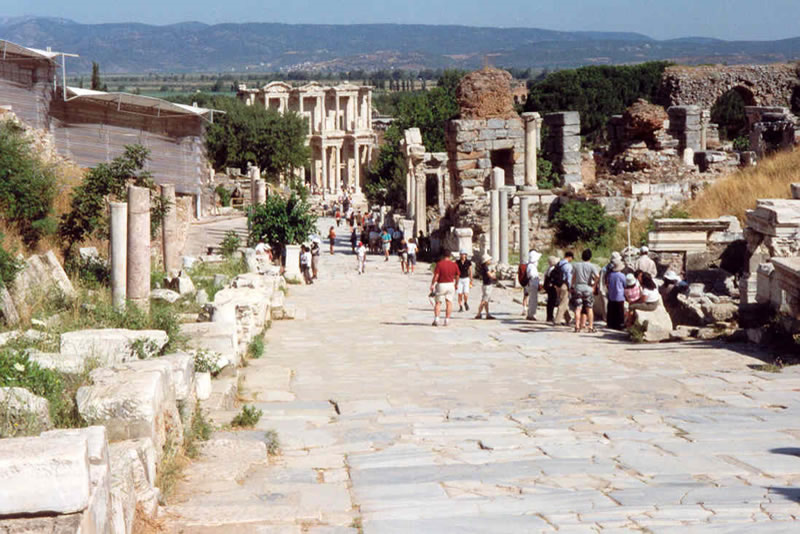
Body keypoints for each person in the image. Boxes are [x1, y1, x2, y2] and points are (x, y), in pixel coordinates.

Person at [570, 249, 600, 333]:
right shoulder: (592, 266)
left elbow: (573, 277)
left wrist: (571, 286)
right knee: (589, 308)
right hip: (588, 288)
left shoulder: (576, 265)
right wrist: (594, 286)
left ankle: (577, 326)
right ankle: (590, 326)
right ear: (590, 257)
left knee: (578, 308)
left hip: (578, 288)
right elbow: (597, 276)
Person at [430, 249, 459, 327]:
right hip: (450, 284)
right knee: (449, 302)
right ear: (450, 256)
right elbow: (457, 275)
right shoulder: (454, 264)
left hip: (441, 284)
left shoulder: (439, 264)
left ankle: (436, 319)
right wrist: (456, 284)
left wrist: (432, 284)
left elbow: (436, 276)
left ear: (442, 256)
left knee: (438, 302)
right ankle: (447, 320)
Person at [553, 252, 574, 326]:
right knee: (563, 303)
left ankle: (568, 319)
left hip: (558, 285)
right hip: (564, 285)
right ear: (569, 257)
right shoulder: (568, 266)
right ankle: (557, 321)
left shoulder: (559, 263)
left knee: (564, 302)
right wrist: (570, 287)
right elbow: (569, 277)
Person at [475, 253, 497, 320]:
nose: (490, 260)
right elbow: (490, 275)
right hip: (487, 285)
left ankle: (487, 314)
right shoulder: (485, 267)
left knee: (486, 301)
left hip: (486, 284)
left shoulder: (485, 267)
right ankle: (478, 314)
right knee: (484, 300)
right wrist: (494, 272)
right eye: (489, 260)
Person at [606, 259, 627, 330]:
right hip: (620, 296)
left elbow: (608, 283)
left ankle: (611, 324)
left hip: (611, 295)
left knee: (612, 310)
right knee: (620, 312)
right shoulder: (622, 275)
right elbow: (625, 284)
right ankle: (620, 325)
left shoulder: (610, 275)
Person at [526, 250, 542, 321]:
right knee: (533, 300)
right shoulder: (532, 266)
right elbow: (532, 275)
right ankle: (532, 314)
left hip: (532, 284)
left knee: (531, 300)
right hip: (533, 284)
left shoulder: (530, 265)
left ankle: (530, 313)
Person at [542, 256, 559, 323]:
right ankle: (550, 316)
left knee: (550, 302)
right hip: (552, 287)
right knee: (552, 302)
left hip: (548, 287)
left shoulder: (548, 269)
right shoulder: (553, 269)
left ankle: (549, 316)